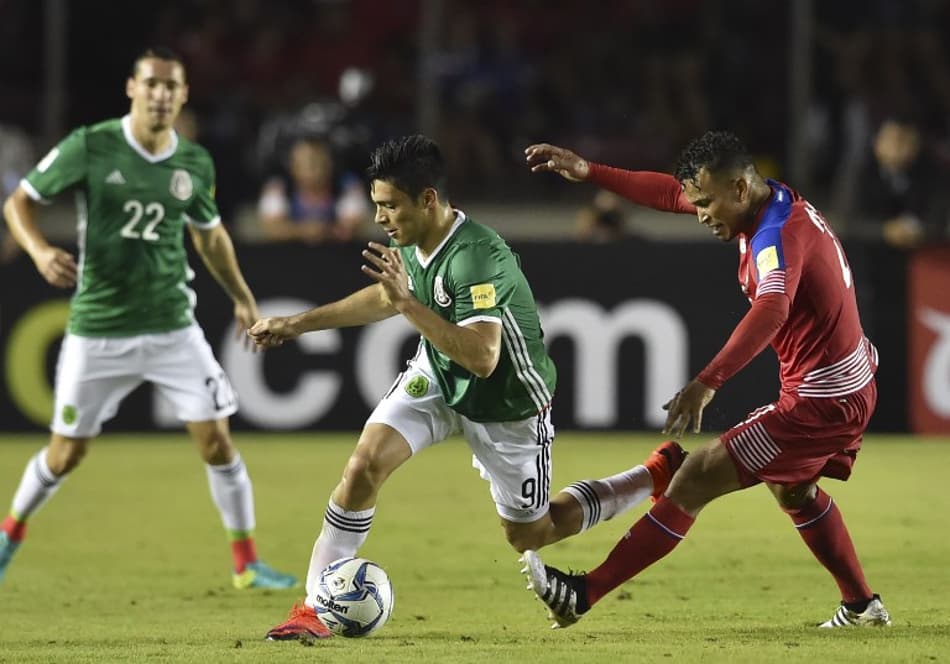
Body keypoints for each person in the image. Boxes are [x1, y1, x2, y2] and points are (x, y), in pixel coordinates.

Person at [247, 134, 687, 641]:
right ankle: (313, 608)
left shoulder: (477, 256)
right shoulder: (414, 239)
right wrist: (298, 324)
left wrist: (410, 305)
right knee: (364, 465)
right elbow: (387, 298)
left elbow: (482, 356)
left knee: (531, 533)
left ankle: (649, 476)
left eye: (389, 206)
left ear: (427, 200)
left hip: (507, 403)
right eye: (376, 206)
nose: (381, 218)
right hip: (437, 375)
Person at [519, 131, 891, 629]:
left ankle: (583, 594)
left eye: (706, 202)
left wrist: (707, 381)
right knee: (793, 491)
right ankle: (862, 606)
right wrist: (590, 171)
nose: (698, 213)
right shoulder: (766, 201)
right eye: (696, 202)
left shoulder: (774, 235)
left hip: (821, 399)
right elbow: (670, 193)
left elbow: (772, 308)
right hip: (845, 381)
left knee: (693, 477)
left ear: (739, 188)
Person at [0, 47, 296, 590]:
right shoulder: (91, 145)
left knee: (217, 442)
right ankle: (7, 537)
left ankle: (246, 563)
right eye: (152, 84)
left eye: (172, 86)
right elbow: (18, 203)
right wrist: (41, 251)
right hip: (98, 328)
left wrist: (241, 295)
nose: (161, 94)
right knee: (66, 454)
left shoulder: (193, 162)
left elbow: (209, 237)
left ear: (183, 96)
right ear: (132, 89)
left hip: (171, 327)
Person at [856, 116, 949, 248]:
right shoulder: (859, 173)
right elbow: (845, 219)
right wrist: (883, 230)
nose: (897, 147)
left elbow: (939, 217)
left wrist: (916, 229)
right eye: (893, 139)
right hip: (864, 252)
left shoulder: (932, 174)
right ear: (877, 143)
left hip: (917, 252)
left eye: (906, 141)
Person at [256, 137, 369, 244]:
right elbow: (273, 229)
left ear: (330, 163)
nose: (314, 168)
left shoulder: (347, 185)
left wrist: (322, 232)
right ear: (293, 166)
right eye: (306, 162)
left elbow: (351, 228)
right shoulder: (278, 186)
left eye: (318, 161)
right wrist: (304, 232)